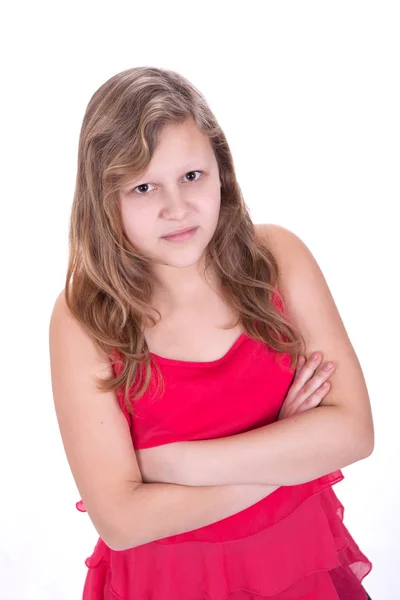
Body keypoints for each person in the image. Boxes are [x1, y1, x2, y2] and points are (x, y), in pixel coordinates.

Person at [49, 66, 374, 600]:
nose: (176, 208)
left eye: (192, 176)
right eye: (144, 186)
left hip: (298, 567)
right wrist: (287, 448)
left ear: (222, 170)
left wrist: (181, 464)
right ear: (105, 200)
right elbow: (123, 521)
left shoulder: (277, 259)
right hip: (167, 585)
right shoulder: (83, 317)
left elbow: (354, 433)